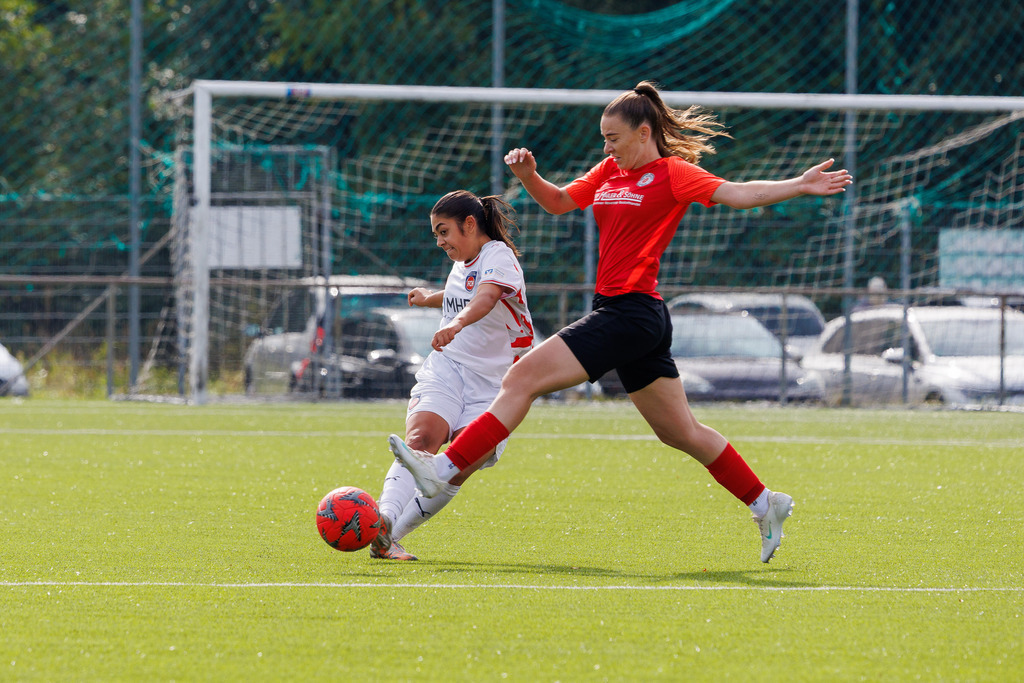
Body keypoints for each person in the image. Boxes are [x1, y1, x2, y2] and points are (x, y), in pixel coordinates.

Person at [389, 80, 853, 563]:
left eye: (613, 137)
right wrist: (529, 175)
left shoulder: (673, 173)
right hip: (632, 317)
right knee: (679, 432)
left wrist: (799, 185)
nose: (606, 147)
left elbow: (741, 194)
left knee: (521, 379)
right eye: (603, 139)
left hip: (631, 312)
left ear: (643, 133)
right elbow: (559, 202)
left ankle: (444, 468)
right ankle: (765, 503)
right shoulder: (610, 170)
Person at [371, 189, 534, 560]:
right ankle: (384, 518)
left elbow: (486, 297)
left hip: (495, 385)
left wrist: (456, 324)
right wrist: (429, 298)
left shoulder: (498, 255)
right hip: (448, 367)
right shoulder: (463, 260)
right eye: (436, 235)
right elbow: (462, 293)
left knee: (459, 464)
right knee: (421, 438)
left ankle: (391, 536)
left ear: (470, 224)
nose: (440, 242)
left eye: (443, 232)